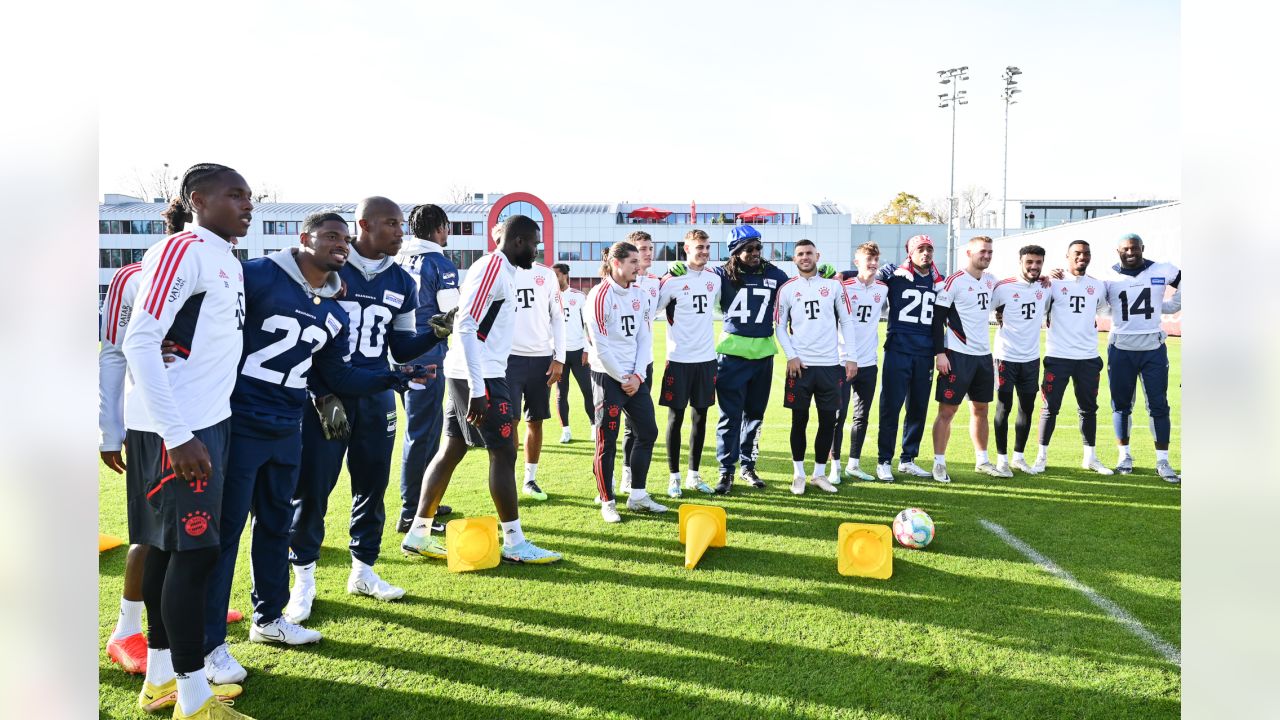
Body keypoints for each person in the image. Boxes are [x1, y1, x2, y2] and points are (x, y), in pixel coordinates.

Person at [202, 213, 440, 670]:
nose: (341, 245)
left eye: (343, 239)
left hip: (286, 423)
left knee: (274, 524)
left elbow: (339, 372)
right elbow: (208, 312)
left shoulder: (332, 305)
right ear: (304, 238)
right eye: (332, 236)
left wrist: (394, 374)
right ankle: (210, 645)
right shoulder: (259, 273)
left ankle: (268, 617)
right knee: (229, 531)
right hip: (240, 420)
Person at [120, 163, 254, 719]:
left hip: (205, 423)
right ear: (197, 199)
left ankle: (159, 679)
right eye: (235, 195)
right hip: (176, 429)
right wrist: (178, 435)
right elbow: (140, 340)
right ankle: (194, 696)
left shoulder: (226, 256)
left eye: (251, 196)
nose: (248, 205)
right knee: (194, 556)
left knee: (171, 550)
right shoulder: (184, 249)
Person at [284, 197, 447, 622]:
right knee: (313, 489)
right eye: (392, 223)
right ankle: (303, 580)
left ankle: (364, 570)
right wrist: (318, 390)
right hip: (326, 396)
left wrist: (434, 334)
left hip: (375, 394)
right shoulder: (330, 263)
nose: (400, 232)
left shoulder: (402, 281)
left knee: (372, 487)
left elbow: (400, 345)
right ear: (365, 225)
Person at [400, 215, 562, 563]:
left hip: (475, 373)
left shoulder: (506, 270)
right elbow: (466, 324)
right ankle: (515, 543)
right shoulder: (493, 266)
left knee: (452, 450)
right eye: (534, 243)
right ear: (518, 240)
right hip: (480, 377)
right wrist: (477, 388)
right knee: (504, 452)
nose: (536, 251)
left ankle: (418, 532)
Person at [585, 241, 664, 522]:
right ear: (616, 264)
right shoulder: (599, 295)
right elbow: (600, 346)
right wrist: (623, 377)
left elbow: (644, 337)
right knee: (607, 441)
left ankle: (638, 495)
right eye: (633, 262)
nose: (639, 266)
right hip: (608, 377)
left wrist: (638, 375)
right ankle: (607, 501)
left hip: (634, 377)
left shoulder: (640, 294)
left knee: (648, 432)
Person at [394, 204, 460, 533]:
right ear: (438, 228)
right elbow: (452, 314)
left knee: (423, 430)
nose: (448, 234)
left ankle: (426, 500)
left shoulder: (399, 258)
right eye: (447, 227)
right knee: (422, 432)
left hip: (398, 353)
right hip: (427, 354)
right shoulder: (439, 263)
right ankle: (411, 512)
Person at [774, 240, 857, 494]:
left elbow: (846, 320)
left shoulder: (833, 286)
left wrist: (851, 357)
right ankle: (798, 474)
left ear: (817, 255)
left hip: (830, 365)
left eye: (809, 253)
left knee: (827, 421)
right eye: (800, 254)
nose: (805, 257)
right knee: (799, 420)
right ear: (794, 259)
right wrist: (791, 355)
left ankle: (820, 474)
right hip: (800, 367)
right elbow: (779, 325)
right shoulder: (787, 289)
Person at [1102, 233, 1182, 482]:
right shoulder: (1108, 278)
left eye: (1135, 248)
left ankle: (1163, 461)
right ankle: (1124, 456)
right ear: (1118, 251)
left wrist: (1171, 305)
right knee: (1121, 406)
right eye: (1125, 249)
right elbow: (1099, 304)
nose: (1130, 252)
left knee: (1158, 405)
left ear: (1142, 248)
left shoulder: (1161, 269)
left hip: (1152, 347)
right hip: (1121, 347)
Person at [1033, 240, 1114, 475]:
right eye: (1077, 253)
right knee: (1050, 408)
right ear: (1067, 257)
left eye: (1086, 253)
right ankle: (1041, 457)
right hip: (1058, 356)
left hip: (1088, 357)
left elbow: (1101, 311)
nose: (1082, 257)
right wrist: (1045, 279)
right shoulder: (1053, 284)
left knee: (1089, 409)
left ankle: (1090, 457)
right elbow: (1039, 305)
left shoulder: (1097, 286)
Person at [929, 236, 1002, 483]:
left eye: (990, 252)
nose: (987, 256)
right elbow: (937, 319)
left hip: (983, 356)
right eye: (983, 251)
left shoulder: (992, 281)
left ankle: (982, 460)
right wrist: (940, 354)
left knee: (981, 409)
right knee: (948, 410)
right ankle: (938, 463)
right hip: (957, 355)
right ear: (969, 252)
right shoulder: (954, 282)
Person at [874, 234, 945, 482]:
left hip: (924, 353)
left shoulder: (939, 282)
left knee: (918, 408)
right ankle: (884, 460)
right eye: (920, 249)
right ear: (910, 253)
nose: (925, 253)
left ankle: (908, 459)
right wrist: (879, 272)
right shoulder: (895, 276)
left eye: (929, 249)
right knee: (890, 407)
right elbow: (862, 276)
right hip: (898, 349)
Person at [655, 230, 719, 497]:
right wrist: (664, 275)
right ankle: (674, 478)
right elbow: (652, 309)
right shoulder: (671, 280)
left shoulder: (714, 279)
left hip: (706, 360)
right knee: (675, 419)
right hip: (679, 359)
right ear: (686, 248)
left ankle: (694, 475)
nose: (703, 252)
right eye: (698, 247)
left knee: (700, 418)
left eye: (706, 247)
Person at [506, 260, 565, 500]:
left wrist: (559, 358)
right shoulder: (499, 270)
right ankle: (506, 478)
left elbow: (558, 318)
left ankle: (530, 479)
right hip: (508, 359)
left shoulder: (546, 275)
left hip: (541, 359)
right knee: (510, 422)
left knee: (536, 421)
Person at [990, 245, 1051, 476]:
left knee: (1027, 407)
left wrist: (1050, 277)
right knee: (1004, 407)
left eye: (1038, 262)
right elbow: (986, 307)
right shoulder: (1003, 287)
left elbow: (1046, 308)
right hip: (1005, 356)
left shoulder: (1045, 287)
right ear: (1020, 262)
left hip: (1031, 358)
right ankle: (1002, 459)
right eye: (1030, 262)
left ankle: (1018, 457)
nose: (1034, 267)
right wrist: (998, 316)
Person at [830, 242, 887, 484]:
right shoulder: (842, 286)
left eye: (876, 260)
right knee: (837, 415)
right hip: (842, 361)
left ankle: (854, 463)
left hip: (869, 362)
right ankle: (834, 466)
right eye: (868, 260)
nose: (873, 264)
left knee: (861, 416)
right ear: (857, 262)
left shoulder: (883, 288)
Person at [619, 231, 660, 495]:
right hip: (620, 366)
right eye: (642, 248)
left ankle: (635, 483)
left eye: (650, 248)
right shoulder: (618, 282)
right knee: (628, 427)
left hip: (646, 362)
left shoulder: (658, 281)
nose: (647, 253)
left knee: (639, 425)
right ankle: (625, 475)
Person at [552, 263, 594, 443]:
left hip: (578, 352)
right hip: (559, 355)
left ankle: (594, 426)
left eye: (556, 275)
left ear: (565, 275)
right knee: (562, 393)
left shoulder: (578, 296)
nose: (553, 279)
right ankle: (566, 430)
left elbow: (588, 325)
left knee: (588, 391)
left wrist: (587, 349)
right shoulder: (549, 297)